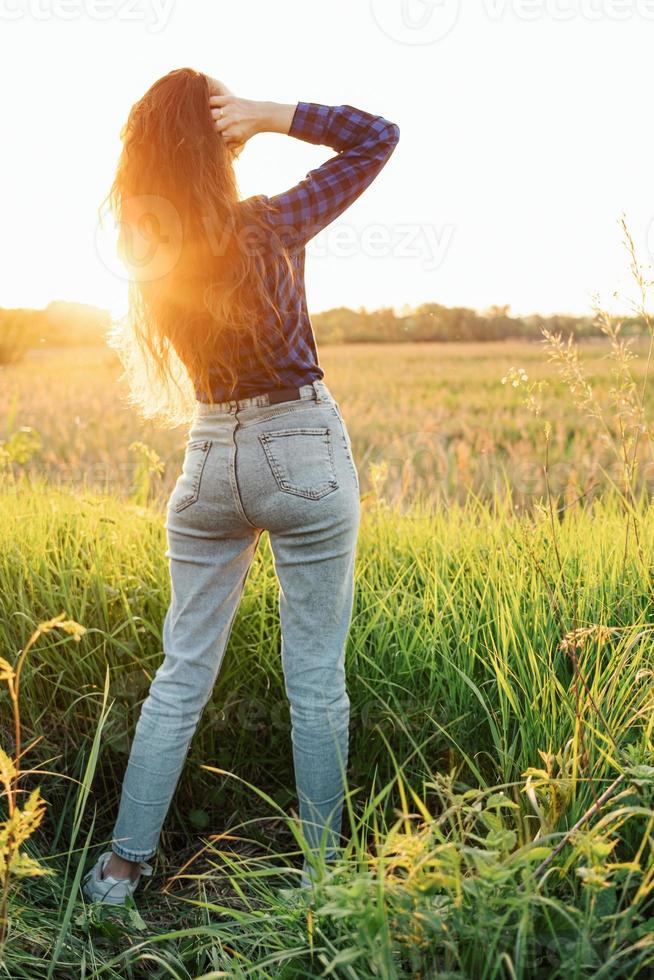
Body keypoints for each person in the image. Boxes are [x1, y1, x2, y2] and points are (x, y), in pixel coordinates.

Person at [83, 67, 399, 905]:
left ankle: (119, 870)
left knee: (178, 678)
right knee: (316, 682)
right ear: (215, 144)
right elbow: (377, 136)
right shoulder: (270, 225)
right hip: (299, 446)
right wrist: (269, 114)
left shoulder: (145, 248)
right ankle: (324, 879)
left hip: (208, 457)